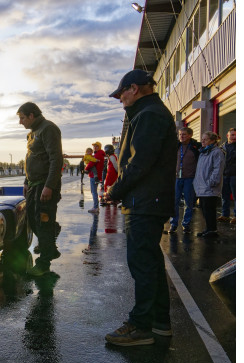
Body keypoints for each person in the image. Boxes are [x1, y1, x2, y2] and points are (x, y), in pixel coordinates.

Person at [103, 69, 177, 346]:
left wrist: (114, 190)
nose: (120, 99)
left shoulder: (149, 115)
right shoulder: (149, 114)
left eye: (121, 93)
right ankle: (159, 323)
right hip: (147, 200)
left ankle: (141, 326)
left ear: (134, 88)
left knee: (142, 264)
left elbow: (140, 162)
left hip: (145, 201)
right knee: (151, 263)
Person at [17, 101, 63, 277]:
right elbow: (30, 159)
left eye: (22, 118)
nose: (20, 122)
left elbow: (55, 159)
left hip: (45, 185)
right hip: (33, 184)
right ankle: (51, 240)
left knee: (43, 221)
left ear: (31, 115)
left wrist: (49, 186)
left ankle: (43, 263)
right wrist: (25, 181)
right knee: (32, 218)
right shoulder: (32, 134)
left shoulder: (48, 128)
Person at [168, 127, 201, 233]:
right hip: (176, 178)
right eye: (180, 134)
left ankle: (186, 224)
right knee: (174, 202)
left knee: (189, 202)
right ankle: (173, 224)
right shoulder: (176, 146)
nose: (181, 137)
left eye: (184, 134)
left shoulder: (195, 147)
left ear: (190, 135)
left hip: (189, 178)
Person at [194, 131, 226, 237]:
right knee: (204, 209)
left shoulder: (217, 152)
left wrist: (211, 182)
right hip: (202, 186)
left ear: (212, 141)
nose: (202, 141)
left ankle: (212, 230)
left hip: (209, 187)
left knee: (209, 210)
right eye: (202, 139)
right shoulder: (203, 152)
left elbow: (217, 169)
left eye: (205, 139)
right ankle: (208, 228)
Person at [218, 128, 236, 224]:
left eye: (236, 135)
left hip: (235, 175)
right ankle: (225, 215)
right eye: (232, 135)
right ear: (227, 136)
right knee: (224, 196)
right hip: (224, 175)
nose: (234, 137)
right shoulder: (222, 147)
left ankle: (236, 216)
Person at [86, 142, 105, 213]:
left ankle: (95, 207)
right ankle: (96, 206)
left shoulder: (98, 154)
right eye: (94, 146)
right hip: (96, 175)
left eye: (96, 146)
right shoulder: (99, 153)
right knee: (94, 191)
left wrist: (86, 168)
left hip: (94, 176)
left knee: (93, 191)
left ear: (99, 147)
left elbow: (91, 163)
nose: (95, 147)